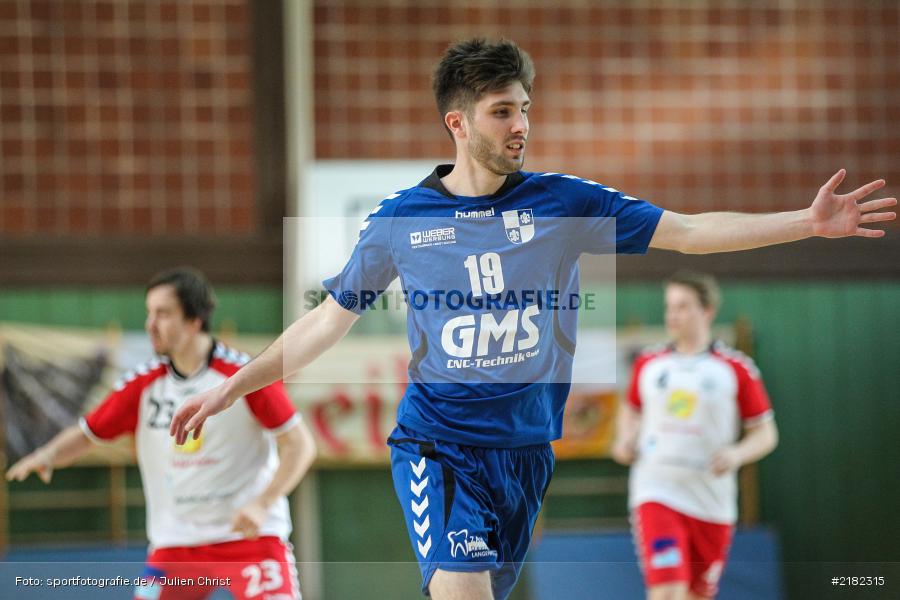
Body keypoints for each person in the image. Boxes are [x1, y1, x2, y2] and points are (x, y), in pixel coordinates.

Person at [168, 39, 894, 600]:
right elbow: (325, 323)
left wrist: (807, 221)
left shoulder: (563, 203)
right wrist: (231, 386)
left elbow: (692, 231)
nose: (521, 125)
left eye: (524, 109)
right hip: (439, 446)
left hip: (526, 456)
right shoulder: (400, 222)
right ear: (457, 122)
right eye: (501, 111)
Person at [6, 267, 316, 600]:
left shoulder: (243, 377)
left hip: (249, 539)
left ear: (194, 320)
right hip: (175, 545)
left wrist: (262, 503)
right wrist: (47, 455)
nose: (150, 324)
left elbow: (300, 445)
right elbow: (87, 433)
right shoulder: (142, 384)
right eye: (149, 313)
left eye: (163, 314)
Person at [612, 272, 778, 600]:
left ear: (707, 311)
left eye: (683, 306)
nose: (673, 315)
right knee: (668, 590)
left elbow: (766, 433)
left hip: (710, 500)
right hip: (657, 491)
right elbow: (630, 411)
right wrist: (624, 440)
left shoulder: (735, 368)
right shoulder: (650, 363)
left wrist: (736, 454)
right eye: (669, 306)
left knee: (696, 594)